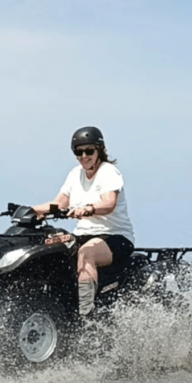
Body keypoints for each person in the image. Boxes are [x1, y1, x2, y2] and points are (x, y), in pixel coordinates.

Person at [33, 127, 135, 317]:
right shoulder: (75, 174)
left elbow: (109, 203)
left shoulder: (109, 172)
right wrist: (31, 211)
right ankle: (58, 305)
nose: (84, 156)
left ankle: (86, 316)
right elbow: (58, 204)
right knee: (49, 246)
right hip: (83, 235)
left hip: (115, 236)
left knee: (86, 253)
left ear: (100, 150)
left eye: (89, 151)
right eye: (79, 152)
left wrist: (88, 209)